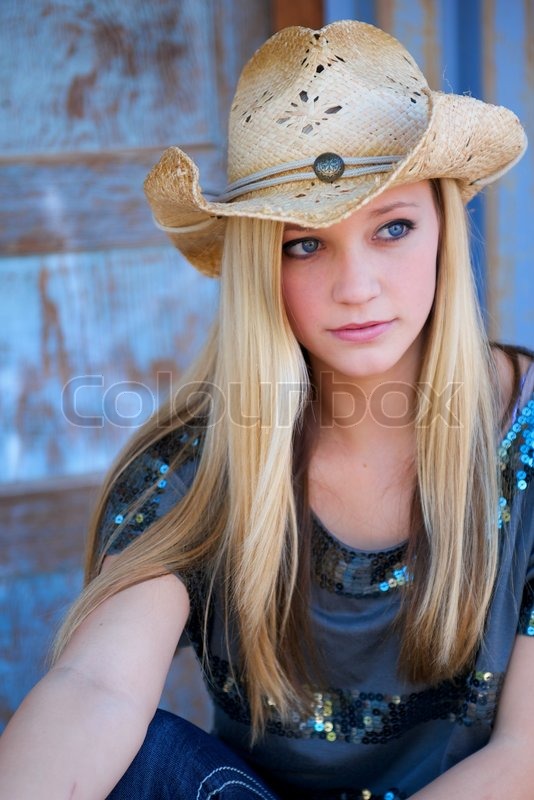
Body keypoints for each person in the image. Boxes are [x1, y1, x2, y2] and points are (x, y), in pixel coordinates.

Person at [0, 19, 532, 800]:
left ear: (447, 231)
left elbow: (525, 758)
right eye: (303, 244)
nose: (357, 287)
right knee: (135, 751)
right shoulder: (198, 463)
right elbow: (96, 690)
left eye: (392, 228)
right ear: (258, 265)